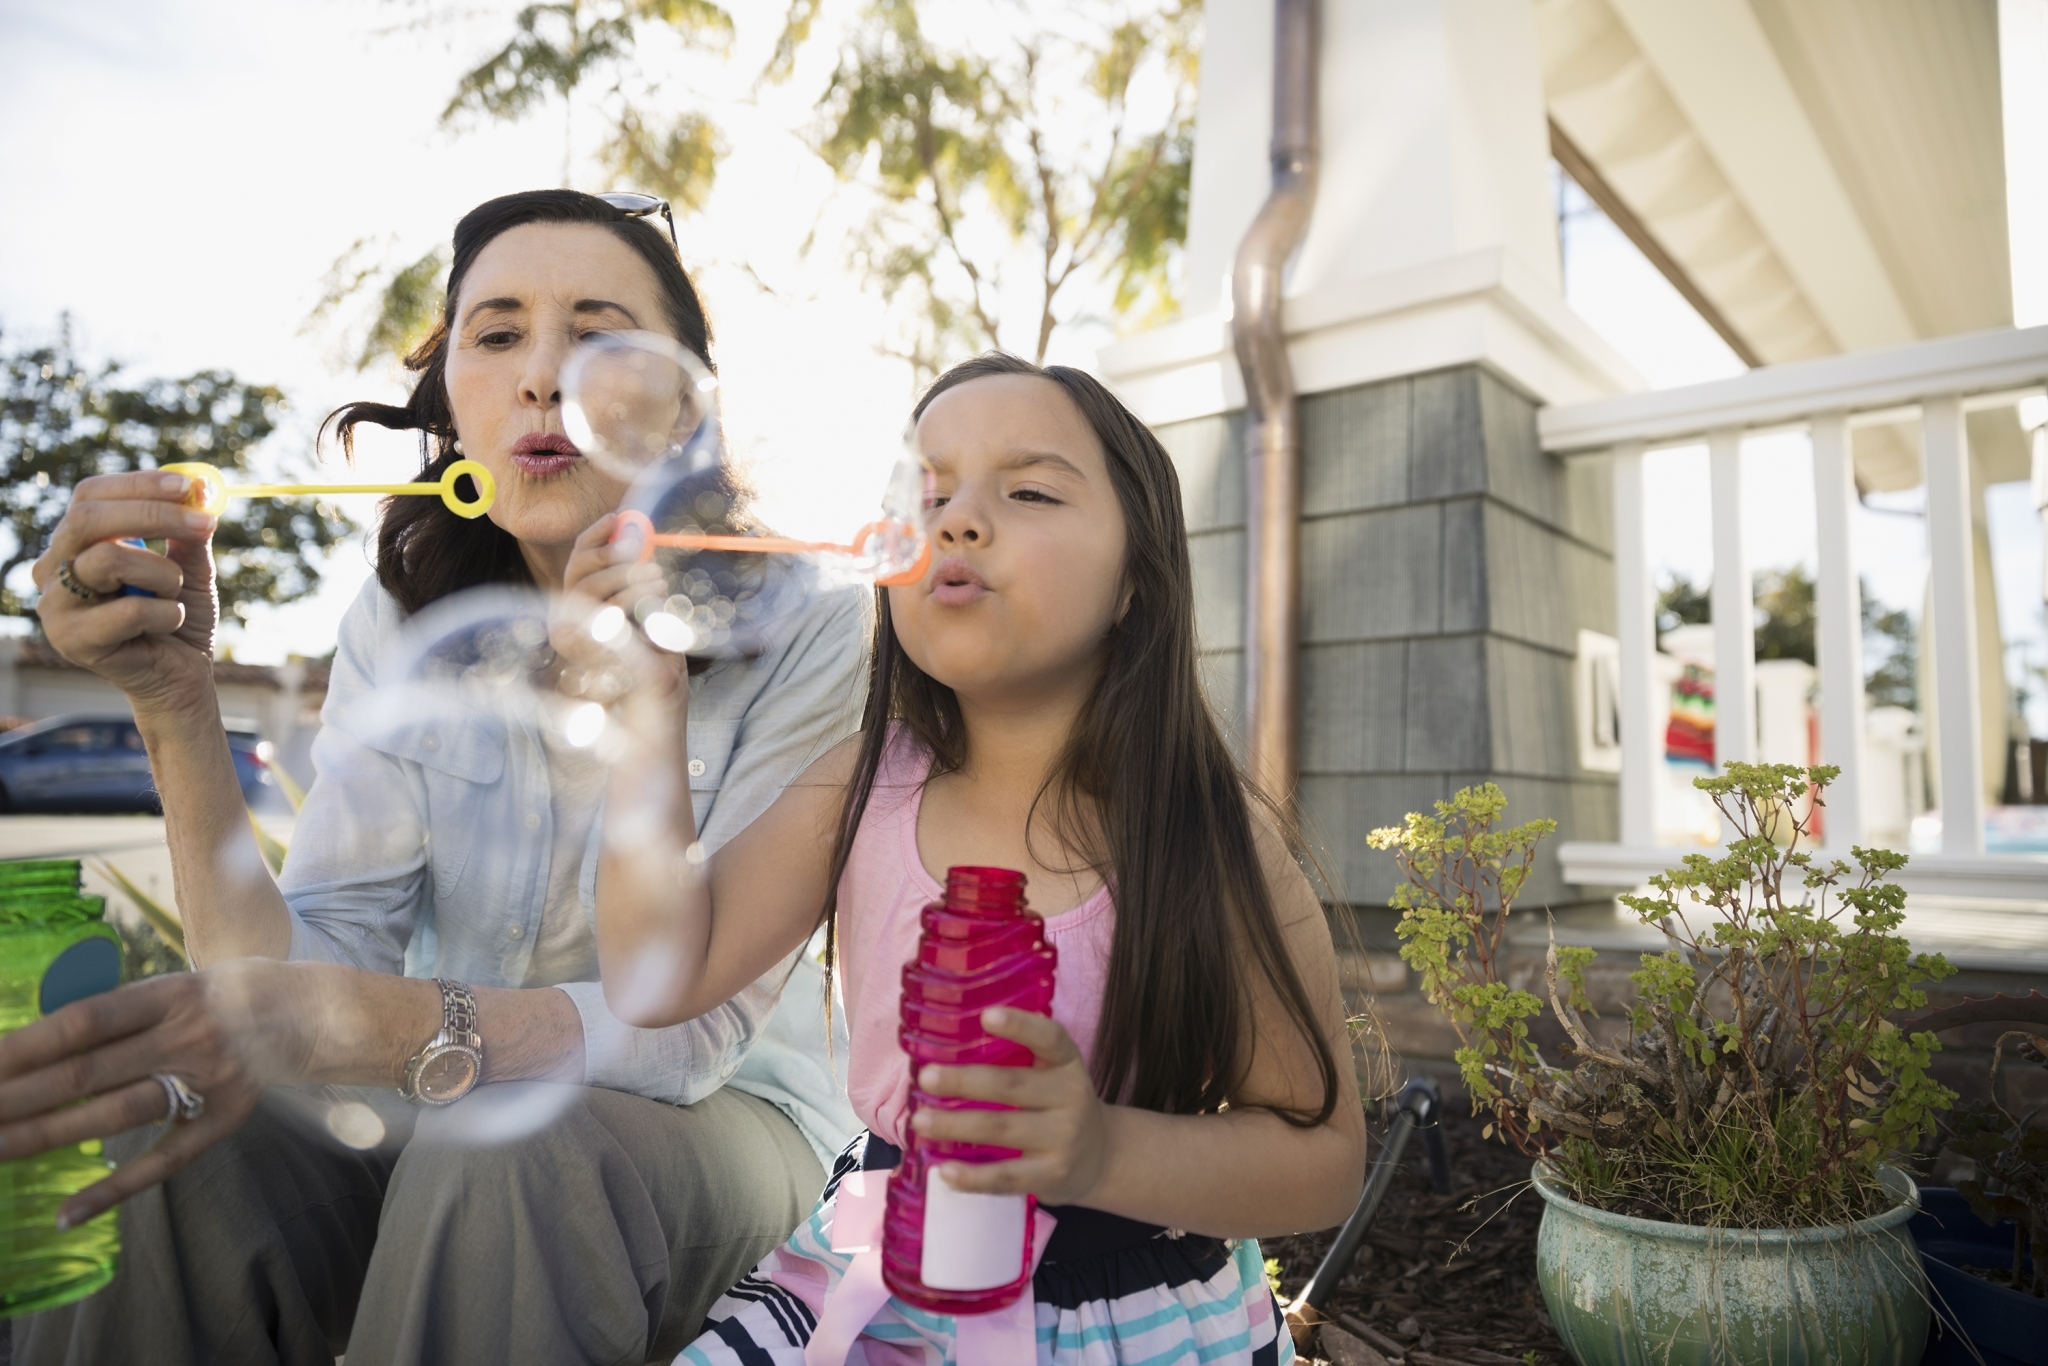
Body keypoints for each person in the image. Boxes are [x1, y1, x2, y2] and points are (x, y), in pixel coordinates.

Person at [12, 188, 864, 1366]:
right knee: (170, 1152)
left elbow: (690, 1034)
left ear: (681, 411)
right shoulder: (401, 613)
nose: (541, 375)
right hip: (438, 1095)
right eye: (498, 333)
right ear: (452, 402)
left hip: (725, 1125)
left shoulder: (819, 629)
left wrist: (420, 1028)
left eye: (601, 333)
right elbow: (310, 970)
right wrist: (174, 700)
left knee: (510, 1161)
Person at [570, 352, 1367, 1366]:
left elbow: (1323, 1161)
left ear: (1136, 583)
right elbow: (656, 975)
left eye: (1027, 489)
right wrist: (648, 707)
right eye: (926, 493)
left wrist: (1098, 1149)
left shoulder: (1207, 838)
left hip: (1125, 1315)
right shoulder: (859, 783)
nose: (954, 518)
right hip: (881, 1282)